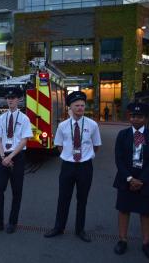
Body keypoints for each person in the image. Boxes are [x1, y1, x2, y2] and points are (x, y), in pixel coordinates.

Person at [44, 91, 102, 242]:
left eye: (82, 105)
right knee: (63, 198)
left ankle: (80, 229)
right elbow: (59, 145)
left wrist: (85, 156)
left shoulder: (92, 125)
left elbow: (96, 146)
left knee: (82, 199)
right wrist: (70, 156)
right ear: (70, 107)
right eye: (77, 105)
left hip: (85, 167)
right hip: (68, 167)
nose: (80, 108)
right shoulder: (63, 126)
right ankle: (58, 227)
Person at [113, 103, 149, 260]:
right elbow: (119, 159)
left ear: (146, 119)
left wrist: (141, 180)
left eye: (139, 116)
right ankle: (122, 240)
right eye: (133, 116)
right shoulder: (122, 135)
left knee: (146, 213)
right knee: (124, 210)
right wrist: (129, 178)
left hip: (145, 180)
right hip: (125, 179)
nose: (136, 119)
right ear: (129, 117)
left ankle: (146, 243)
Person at [0, 87, 32, 234]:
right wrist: (3, 157)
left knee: (17, 192)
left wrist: (10, 157)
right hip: (3, 157)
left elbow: (24, 140)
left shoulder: (24, 118)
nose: (10, 100)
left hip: (17, 156)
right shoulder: (2, 118)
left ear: (19, 100)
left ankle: (12, 222)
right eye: (8, 98)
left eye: (13, 98)